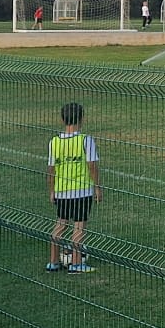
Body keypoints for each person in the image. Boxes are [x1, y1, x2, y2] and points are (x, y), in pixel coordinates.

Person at [46, 101, 100, 273]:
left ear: (63, 119)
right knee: (78, 227)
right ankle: (77, 264)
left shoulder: (54, 142)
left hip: (62, 191)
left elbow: (51, 169)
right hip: (81, 190)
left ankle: (53, 262)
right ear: (81, 118)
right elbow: (92, 166)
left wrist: (52, 190)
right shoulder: (86, 140)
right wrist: (97, 187)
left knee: (60, 225)